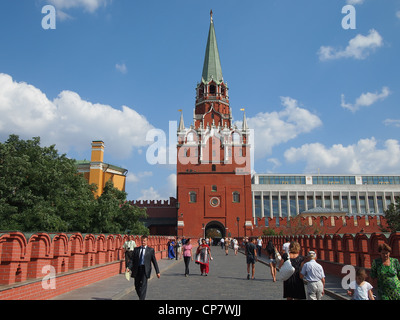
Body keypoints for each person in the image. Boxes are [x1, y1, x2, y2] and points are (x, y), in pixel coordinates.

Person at [127, 235, 160, 300]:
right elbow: (132, 260)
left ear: (147, 241)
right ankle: (141, 298)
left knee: (143, 286)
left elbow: (154, 261)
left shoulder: (150, 250)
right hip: (137, 269)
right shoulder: (136, 250)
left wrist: (157, 271)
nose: (143, 242)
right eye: (142, 240)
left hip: (145, 270)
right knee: (136, 286)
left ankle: (142, 299)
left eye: (144, 241)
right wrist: (129, 267)